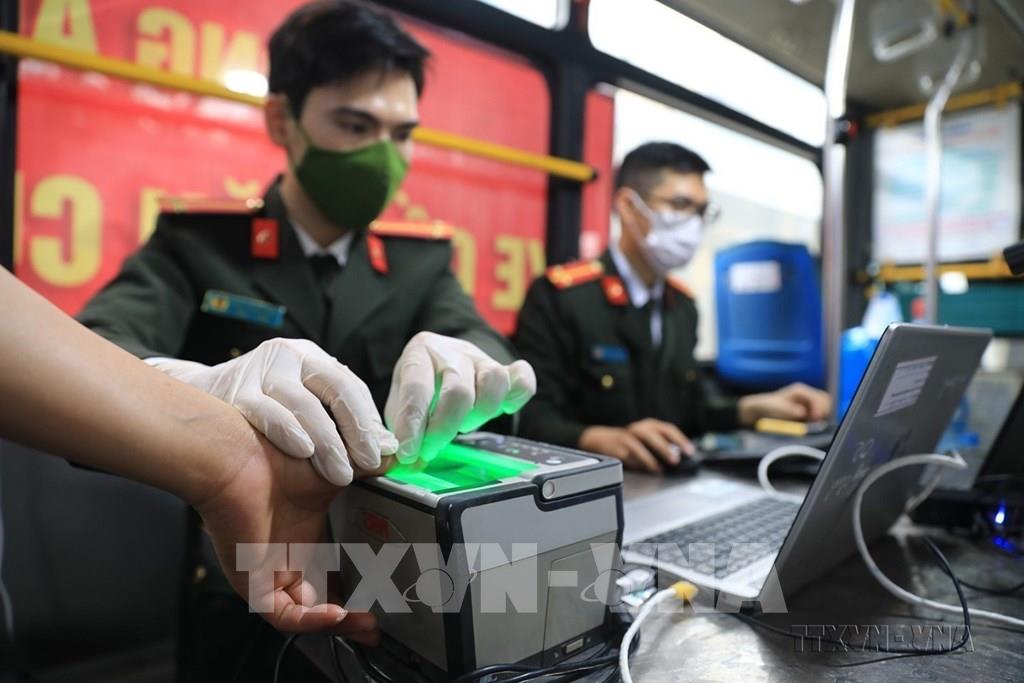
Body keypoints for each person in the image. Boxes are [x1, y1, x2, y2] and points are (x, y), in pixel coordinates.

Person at [75, 2, 535, 678]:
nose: (383, 156)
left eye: (401, 133)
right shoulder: (198, 245)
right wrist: (194, 387)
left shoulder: (420, 263)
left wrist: (469, 367)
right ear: (282, 121)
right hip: (242, 577)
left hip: (396, 579)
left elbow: (471, 338)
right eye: (355, 125)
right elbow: (95, 354)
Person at [0, 268, 375, 641]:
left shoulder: (406, 259)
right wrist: (205, 409)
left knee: (380, 632)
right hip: (243, 565)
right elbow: (97, 335)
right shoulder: (195, 244)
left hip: (376, 550)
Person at [514, 142, 830, 474]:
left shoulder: (682, 308)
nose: (693, 224)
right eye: (679, 205)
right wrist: (599, 440)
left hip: (666, 478)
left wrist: (754, 408)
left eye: (701, 211)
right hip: (585, 481)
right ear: (628, 206)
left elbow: (689, 410)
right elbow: (529, 418)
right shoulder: (561, 297)